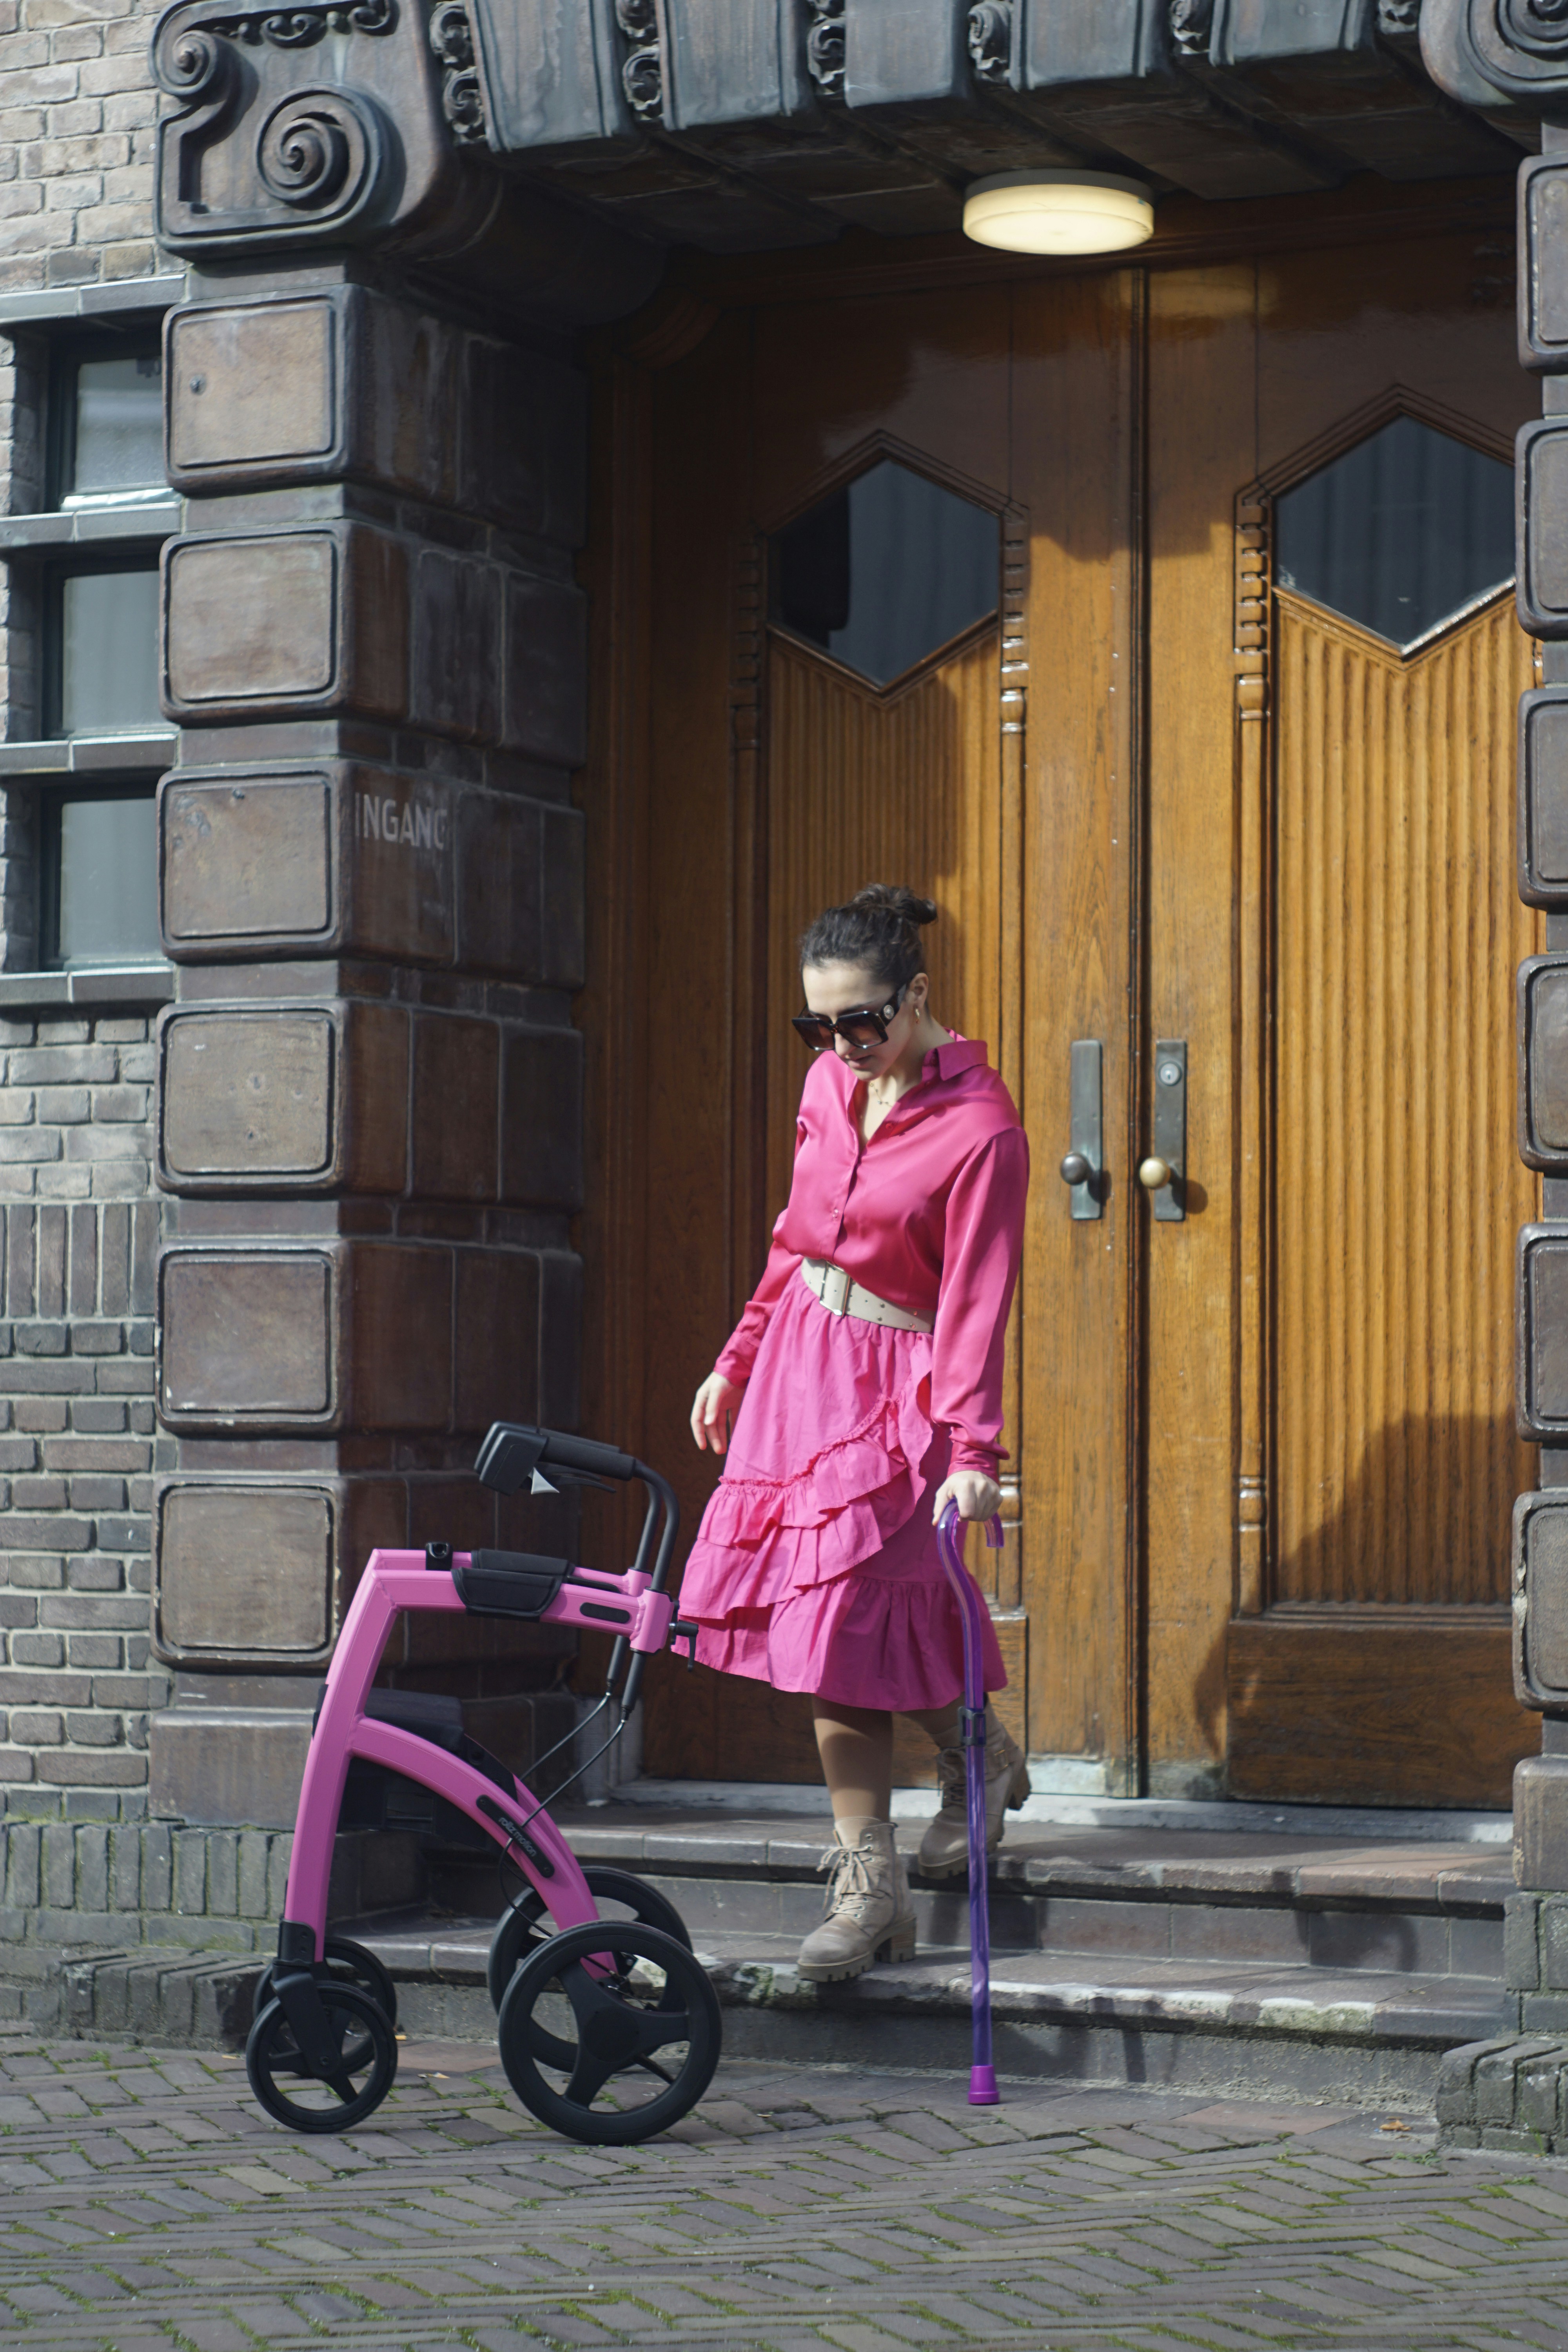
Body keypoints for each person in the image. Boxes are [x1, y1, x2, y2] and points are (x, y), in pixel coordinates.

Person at [683, 884, 1031, 1983]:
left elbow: (979, 1297)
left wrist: (973, 1453)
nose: (842, 1045)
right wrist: (738, 1356)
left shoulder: (983, 1129)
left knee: (858, 1619)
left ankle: (970, 1759)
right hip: (800, 1368)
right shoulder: (829, 1085)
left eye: (862, 1022)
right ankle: (875, 1881)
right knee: (826, 1627)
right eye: (819, 1026)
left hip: (899, 1390)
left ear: (918, 994)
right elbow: (795, 1241)